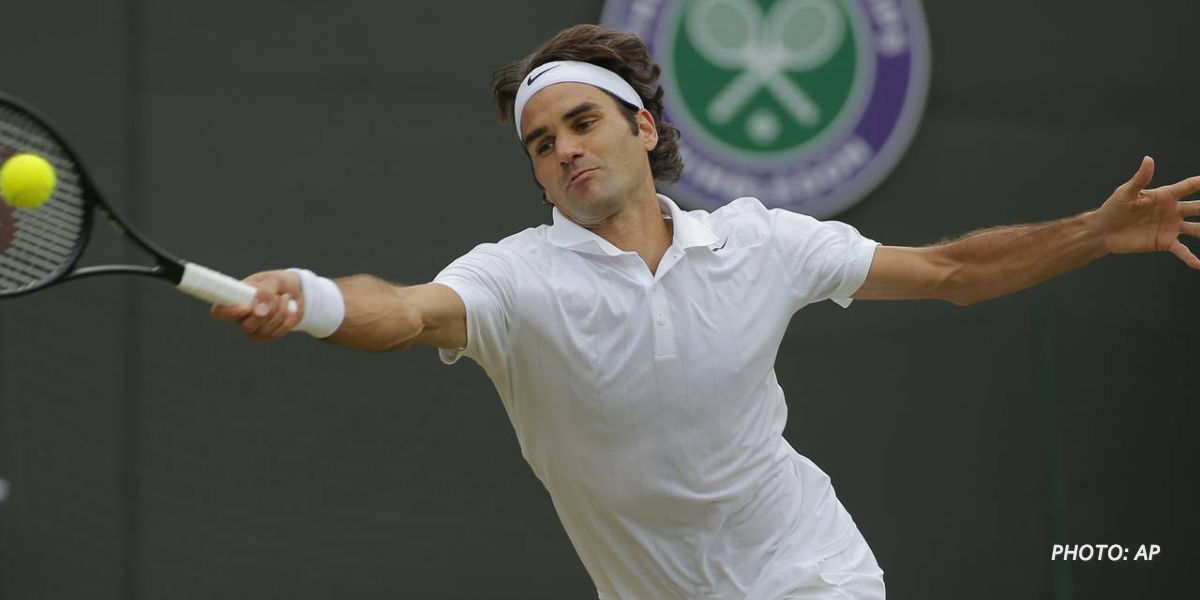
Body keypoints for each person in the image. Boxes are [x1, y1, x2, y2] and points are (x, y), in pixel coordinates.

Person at [212, 24, 1198, 600]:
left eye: (583, 123)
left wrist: (1094, 231)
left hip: (810, 574)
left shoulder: (760, 243)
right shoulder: (514, 280)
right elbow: (404, 313)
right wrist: (315, 299)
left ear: (642, 128)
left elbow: (950, 272)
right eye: (541, 144)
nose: (564, 149)